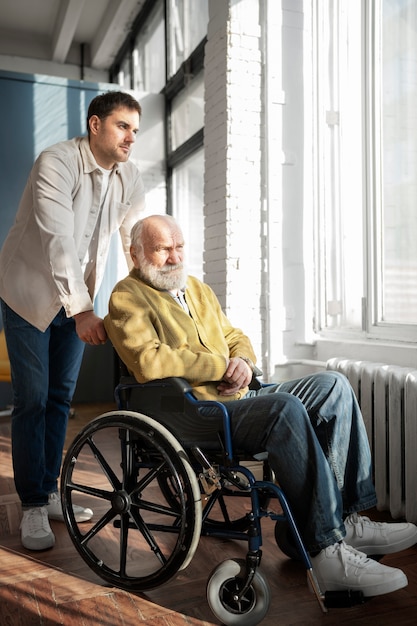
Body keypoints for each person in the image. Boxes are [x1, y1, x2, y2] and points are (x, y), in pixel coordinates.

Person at [104, 214, 417, 599]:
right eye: (163, 249)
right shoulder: (125, 297)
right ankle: (327, 552)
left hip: (238, 397)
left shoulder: (197, 289)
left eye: (179, 246)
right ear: (136, 254)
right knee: (284, 408)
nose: (174, 257)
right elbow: (150, 361)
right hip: (192, 412)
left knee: (333, 385)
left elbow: (234, 336)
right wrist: (221, 366)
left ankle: (346, 519)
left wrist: (243, 363)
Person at [0, 90, 146, 551]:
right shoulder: (56, 162)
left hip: (77, 297)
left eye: (136, 131)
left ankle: (48, 491)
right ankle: (30, 505)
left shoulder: (129, 177)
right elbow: (59, 242)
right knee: (34, 397)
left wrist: (155, 295)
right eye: (123, 126)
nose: (131, 138)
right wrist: (82, 308)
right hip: (30, 295)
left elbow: (133, 242)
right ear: (96, 124)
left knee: (62, 398)